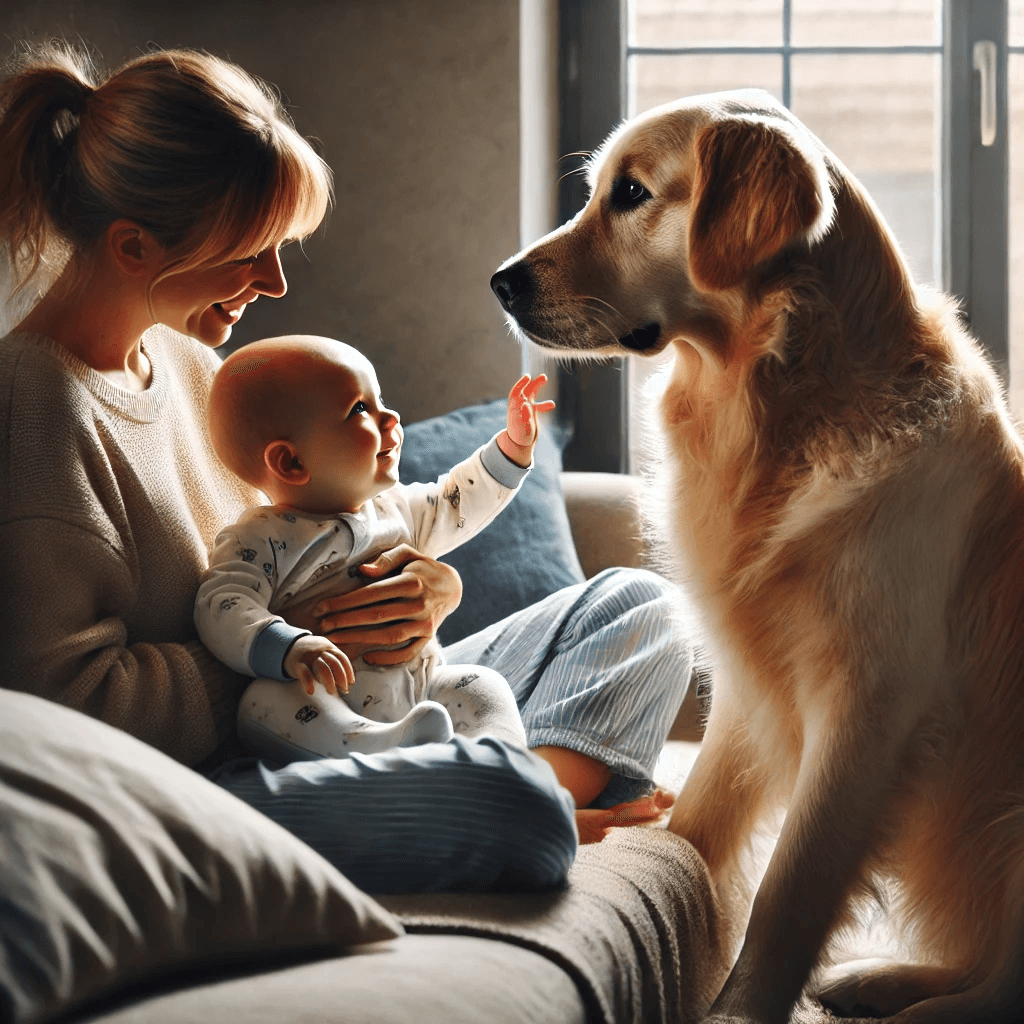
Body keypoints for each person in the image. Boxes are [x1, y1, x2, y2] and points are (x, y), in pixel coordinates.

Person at [0, 41, 692, 892]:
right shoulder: (33, 411)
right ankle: (513, 797)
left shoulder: (187, 367)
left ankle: (512, 782)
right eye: (252, 248)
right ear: (135, 247)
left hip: (360, 699)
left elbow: (307, 540)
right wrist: (293, 642)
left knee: (641, 604)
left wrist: (422, 592)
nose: (277, 282)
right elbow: (61, 716)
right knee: (506, 813)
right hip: (225, 774)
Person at [197, 335, 552, 759]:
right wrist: (287, 646)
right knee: (262, 704)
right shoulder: (260, 537)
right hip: (325, 695)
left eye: (380, 398)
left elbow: (459, 500)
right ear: (292, 463)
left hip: (420, 686)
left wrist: (512, 448)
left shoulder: (397, 509)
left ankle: (500, 759)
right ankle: (380, 747)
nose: (391, 417)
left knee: (484, 686)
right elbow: (223, 601)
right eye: (360, 409)